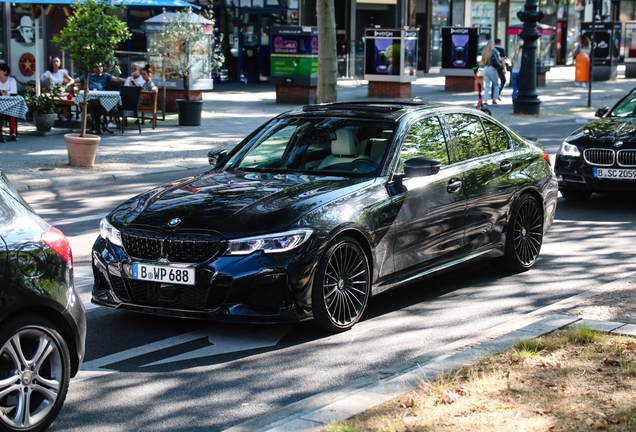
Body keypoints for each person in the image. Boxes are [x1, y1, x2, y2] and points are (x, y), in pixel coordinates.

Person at [0, 63, 18, 141]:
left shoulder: (11, 80)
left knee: (11, 111)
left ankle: (12, 132)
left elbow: (14, 91)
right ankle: (0, 132)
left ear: (5, 72)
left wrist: (6, 92)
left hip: (10, 103)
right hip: (0, 103)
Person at [480, 40, 500, 106]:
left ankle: (485, 100)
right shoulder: (493, 50)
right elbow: (499, 58)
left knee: (487, 86)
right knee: (496, 84)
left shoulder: (484, 51)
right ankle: (494, 100)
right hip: (492, 68)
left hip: (485, 68)